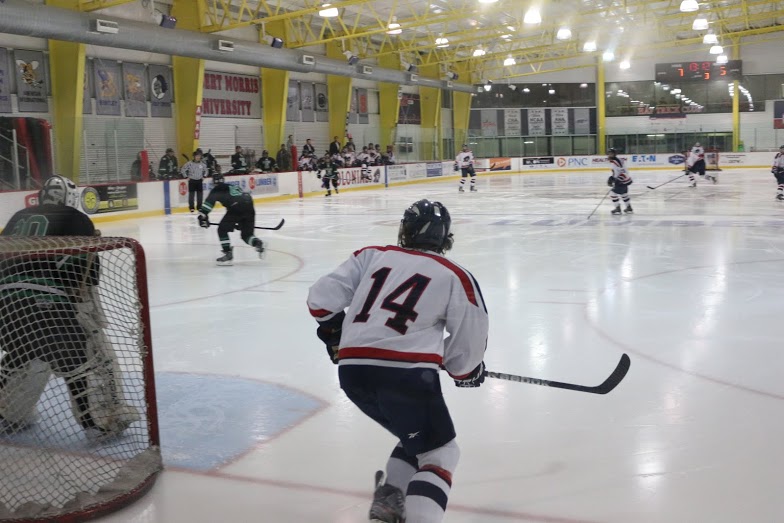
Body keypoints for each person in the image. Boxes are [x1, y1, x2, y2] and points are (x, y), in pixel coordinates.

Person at [306, 199, 488, 523]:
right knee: (441, 453)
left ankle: (389, 505)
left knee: (416, 439)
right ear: (446, 237)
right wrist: (467, 371)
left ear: (405, 231)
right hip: (405, 378)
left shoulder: (372, 255)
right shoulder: (456, 276)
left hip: (353, 374)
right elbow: (468, 344)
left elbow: (320, 301)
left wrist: (335, 336)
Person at [0, 175, 139, 436]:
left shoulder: (18, 216)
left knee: (24, 354)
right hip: (48, 301)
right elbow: (84, 275)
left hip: (6, 305)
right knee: (90, 356)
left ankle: (10, 412)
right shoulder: (76, 219)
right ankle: (99, 422)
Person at [198, 171, 265, 266]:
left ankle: (228, 253)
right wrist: (238, 221)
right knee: (246, 235)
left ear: (214, 182)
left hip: (236, 207)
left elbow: (208, 205)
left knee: (222, 230)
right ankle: (257, 243)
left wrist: (202, 217)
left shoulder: (217, 189)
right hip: (249, 205)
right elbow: (238, 200)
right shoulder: (233, 186)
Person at [607, 148, 633, 215]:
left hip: (621, 181)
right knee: (624, 194)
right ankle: (629, 207)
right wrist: (612, 178)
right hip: (624, 180)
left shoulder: (616, 162)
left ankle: (617, 209)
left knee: (612, 194)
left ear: (615, 154)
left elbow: (622, 172)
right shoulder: (616, 161)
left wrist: (617, 180)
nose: (609, 155)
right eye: (609, 153)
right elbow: (617, 172)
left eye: (611, 153)